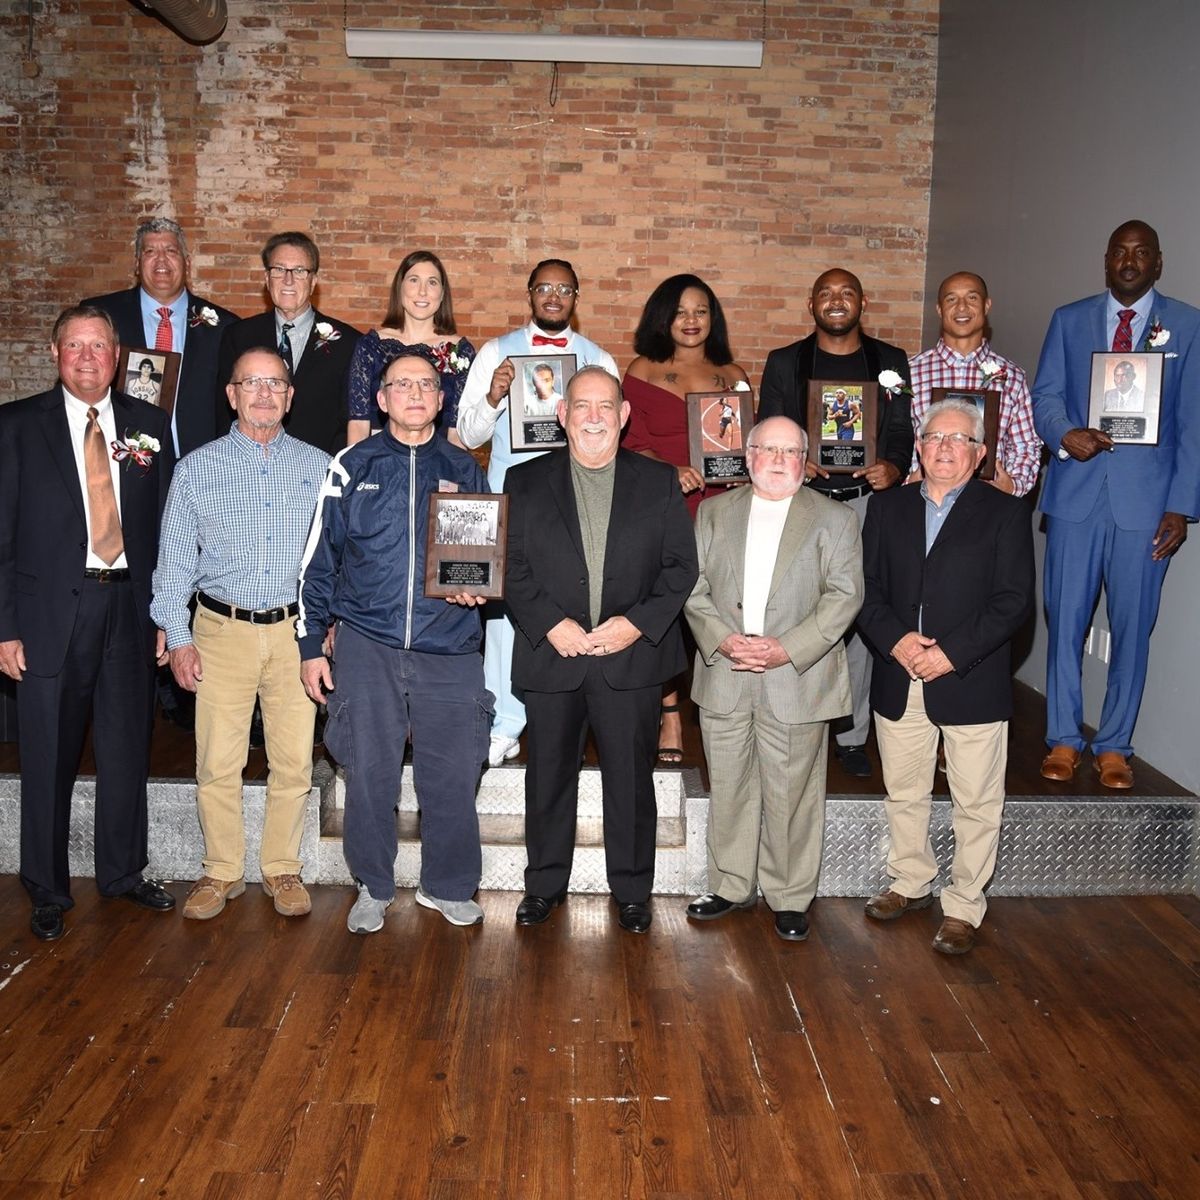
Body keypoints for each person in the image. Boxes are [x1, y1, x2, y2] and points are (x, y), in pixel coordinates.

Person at [298, 354, 491, 933]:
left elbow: (482, 560)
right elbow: (319, 563)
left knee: (454, 774)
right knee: (370, 772)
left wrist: (477, 593)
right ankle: (373, 885)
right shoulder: (350, 465)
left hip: (450, 647)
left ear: (440, 398)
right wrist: (311, 645)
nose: (414, 393)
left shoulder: (465, 467)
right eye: (401, 384)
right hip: (368, 643)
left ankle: (449, 886)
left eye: (426, 385)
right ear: (380, 400)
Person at [0, 306, 176, 941]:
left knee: (128, 746)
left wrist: (167, 615)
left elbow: (166, 531)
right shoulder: (16, 426)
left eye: (97, 346)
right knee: (46, 752)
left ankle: (123, 873)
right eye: (73, 345)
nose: (86, 356)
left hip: (130, 608)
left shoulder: (150, 425)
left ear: (117, 356)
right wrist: (4, 627)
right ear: (55, 354)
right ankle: (46, 887)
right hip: (48, 618)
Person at [504, 367, 698, 934]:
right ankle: (543, 885)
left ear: (624, 415)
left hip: (629, 659)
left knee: (631, 781)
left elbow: (680, 568)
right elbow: (509, 567)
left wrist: (635, 626)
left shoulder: (658, 481)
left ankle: (633, 890)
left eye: (605, 406)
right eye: (582, 405)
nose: (594, 416)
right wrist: (550, 625)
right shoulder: (523, 481)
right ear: (561, 414)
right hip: (553, 656)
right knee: (547, 779)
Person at [151, 348, 329, 921]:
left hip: (294, 636)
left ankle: (282, 867)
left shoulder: (321, 468)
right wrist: (176, 633)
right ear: (231, 394)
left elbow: (337, 560)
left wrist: (329, 630)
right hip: (219, 631)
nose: (263, 393)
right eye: (250, 383)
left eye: (275, 384)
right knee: (217, 761)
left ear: (290, 396)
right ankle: (220, 870)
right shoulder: (196, 469)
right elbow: (173, 562)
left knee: (294, 761)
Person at [857, 399, 1034, 955]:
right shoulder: (886, 509)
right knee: (904, 791)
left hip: (970, 679)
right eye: (934, 438)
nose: (944, 448)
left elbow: (1013, 601)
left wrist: (951, 654)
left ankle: (963, 906)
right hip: (899, 672)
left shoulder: (1004, 512)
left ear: (980, 453)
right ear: (918, 445)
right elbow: (864, 590)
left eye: (959, 440)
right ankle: (909, 881)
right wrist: (899, 641)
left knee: (976, 801)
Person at [1033, 219, 1200, 790]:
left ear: (1158, 262)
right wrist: (1063, 434)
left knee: (1133, 627)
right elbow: (1046, 394)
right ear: (1106, 261)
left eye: (1141, 253)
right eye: (1119, 253)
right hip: (1075, 497)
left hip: (1148, 509)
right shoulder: (1070, 319)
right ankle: (1061, 737)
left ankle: (1114, 745)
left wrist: (1181, 504)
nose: (1129, 261)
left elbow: (1193, 422)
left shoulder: (1187, 325)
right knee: (1065, 621)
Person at [684, 417, 862, 941]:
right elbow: (691, 586)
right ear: (748, 455)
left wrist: (787, 648)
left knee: (793, 792)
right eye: (769, 449)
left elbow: (845, 595)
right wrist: (722, 639)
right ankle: (731, 885)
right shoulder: (714, 512)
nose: (779, 459)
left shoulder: (834, 518)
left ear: (806, 460)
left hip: (797, 674)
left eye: (791, 451)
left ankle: (788, 894)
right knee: (731, 785)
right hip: (727, 668)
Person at [457, 259, 618, 768]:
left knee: (574, 605)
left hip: (578, 502)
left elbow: (612, 436)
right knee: (506, 614)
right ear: (529, 293)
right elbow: (468, 434)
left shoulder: (598, 359)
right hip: (513, 499)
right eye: (544, 287)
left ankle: (565, 718)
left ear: (575, 296)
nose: (553, 296)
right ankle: (502, 723)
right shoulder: (495, 353)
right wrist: (493, 396)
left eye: (564, 288)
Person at [757, 268, 914, 779]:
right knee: (799, 611)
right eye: (825, 293)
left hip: (868, 502)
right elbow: (769, 426)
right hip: (802, 503)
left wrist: (892, 464)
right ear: (811, 304)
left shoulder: (889, 362)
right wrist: (797, 459)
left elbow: (900, 431)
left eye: (846, 292)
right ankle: (793, 724)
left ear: (862, 302)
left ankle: (851, 734)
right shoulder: (786, 361)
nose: (836, 301)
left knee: (859, 614)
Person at [623, 274, 751, 765]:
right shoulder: (644, 367)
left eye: (700, 311)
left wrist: (742, 471)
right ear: (663, 317)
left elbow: (743, 443)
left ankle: (720, 707)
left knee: (716, 610)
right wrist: (667, 469)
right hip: (664, 504)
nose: (691, 321)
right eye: (680, 312)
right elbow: (628, 441)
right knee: (667, 613)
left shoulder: (732, 372)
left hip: (721, 510)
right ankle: (670, 711)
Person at [84, 217, 237, 458]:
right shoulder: (100, 317)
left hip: (199, 462)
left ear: (186, 263)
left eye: (171, 251)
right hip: (119, 457)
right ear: (137, 264)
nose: (161, 259)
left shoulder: (225, 327)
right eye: (150, 251)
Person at [217, 232, 361, 455]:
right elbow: (223, 411)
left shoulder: (349, 343)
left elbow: (350, 422)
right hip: (246, 468)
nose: (288, 280)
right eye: (279, 270)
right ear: (266, 278)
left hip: (318, 472)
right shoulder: (238, 336)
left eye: (300, 271)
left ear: (313, 281)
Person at [908, 271, 1042, 496]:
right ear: (939, 309)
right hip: (920, 500)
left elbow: (1026, 446)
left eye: (972, 298)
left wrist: (1012, 486)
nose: (961, 307)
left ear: (986, 305)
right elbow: (894, 439)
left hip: (988, 505)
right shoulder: (911, 372)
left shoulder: (1012, 377)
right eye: (951, 299)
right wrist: (908, 482)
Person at [345, 251, 475, 447]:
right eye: (414, 280)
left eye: (432, 282)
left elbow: (457, 433)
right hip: (379, 463)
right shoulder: (371, 346)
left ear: (442, 294)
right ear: (400, 288)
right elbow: (358, 424)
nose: (422, 291)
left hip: (436, 464)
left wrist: (454, 476)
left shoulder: (460, 351)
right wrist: (356, 472)